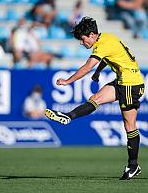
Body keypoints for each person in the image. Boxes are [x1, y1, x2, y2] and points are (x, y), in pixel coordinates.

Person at [45, 17, 145, 180]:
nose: (81, 43)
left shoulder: (103, 43)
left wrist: (68, 80)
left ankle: (133, 165)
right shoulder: (106, 38)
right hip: (122, 80)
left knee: (129, 125)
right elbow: (109, 56)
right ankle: (68, 116)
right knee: (96, 98)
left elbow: (86, 67)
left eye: (83, 39)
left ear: (92, 35)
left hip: (131, 84)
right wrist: (98, 72)